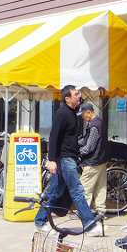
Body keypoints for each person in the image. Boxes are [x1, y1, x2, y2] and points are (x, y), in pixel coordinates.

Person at [35, 85, 102, 235]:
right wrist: (51, 160)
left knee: (54, 191)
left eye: (79, 94)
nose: (79, 96)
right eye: (76, 94)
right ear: (67, 98)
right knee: (77, 190)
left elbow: (73, 138)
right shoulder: (62, 113)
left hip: (70, 158)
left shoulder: (74, 113)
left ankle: (40, 221)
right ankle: (90, 224)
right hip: (64, 159)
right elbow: (54, 136)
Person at [78, 100, 108, 213]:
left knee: (84, 188)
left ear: (89, 112)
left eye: (83, 115)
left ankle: (84, 213)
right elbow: (87, 140)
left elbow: (89, 147)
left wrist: (78, 152)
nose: (82, 117)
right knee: (100, 188)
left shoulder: (94, 125)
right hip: (101, 160)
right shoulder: (100, 122)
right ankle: (101, 212)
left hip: (92, 162)